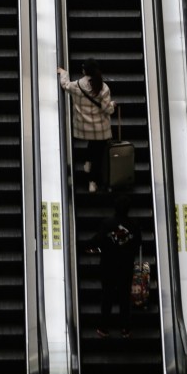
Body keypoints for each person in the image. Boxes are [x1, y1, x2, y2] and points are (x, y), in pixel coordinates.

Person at [83, 195, 142, 339]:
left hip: (108, 266)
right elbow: (137, 243)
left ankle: (104, 328)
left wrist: (85, 246)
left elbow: (98, 240)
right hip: (126, 266)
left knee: (107, 296)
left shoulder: (107, 223)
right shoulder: (134, 225)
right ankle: (125, 329)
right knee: (124, 297)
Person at [58, 59, 116, 193]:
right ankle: (92, 181)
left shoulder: (77, 85)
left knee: (92, 144)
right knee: (98, 155)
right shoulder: (103, 88)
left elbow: (64, 84)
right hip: (100, 128)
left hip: (84, 127)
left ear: (84, 71)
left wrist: (63, 72)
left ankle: (88, 162)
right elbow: (109, 110)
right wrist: (113, 104)